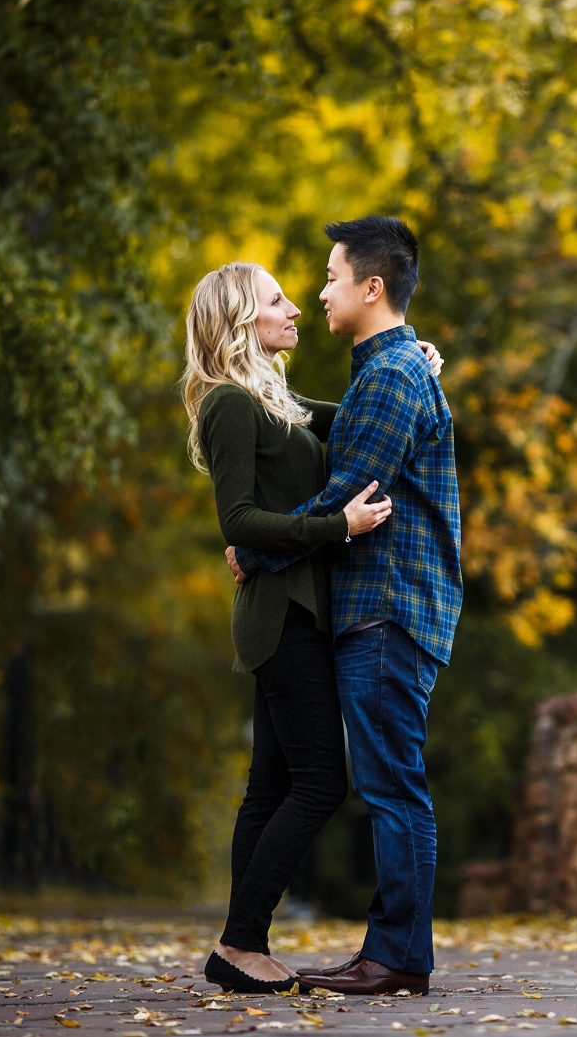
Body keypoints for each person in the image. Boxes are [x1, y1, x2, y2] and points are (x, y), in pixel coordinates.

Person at [182, 260, 443, 994]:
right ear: (242, 322)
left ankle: (243, 945)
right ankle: (239, 941)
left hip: (293, 612)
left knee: (268, 790)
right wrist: (341, 523)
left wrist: (410, 361)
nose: (294, 307)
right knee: (321, 781)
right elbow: (235, 521)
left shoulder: (276, 399)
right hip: (282, 616)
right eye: (275, 301)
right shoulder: (230, 404)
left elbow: (360, 412)